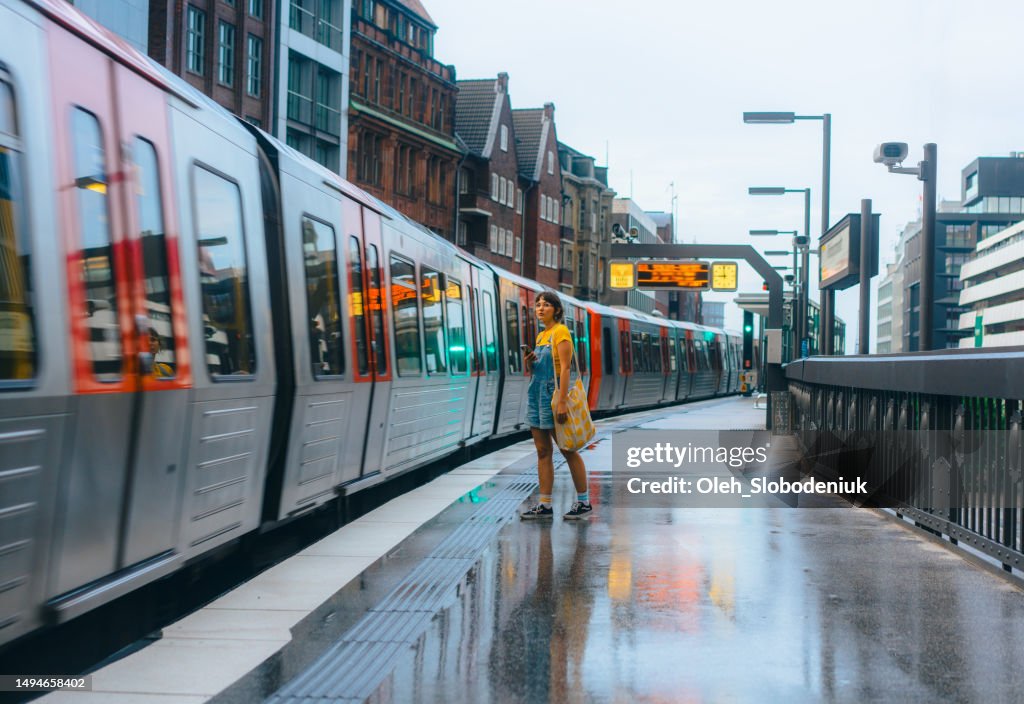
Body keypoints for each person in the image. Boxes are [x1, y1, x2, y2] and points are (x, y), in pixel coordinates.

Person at [520, 291, 593, 520]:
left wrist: (561, 401)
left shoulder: (561, 332)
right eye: (538, 305)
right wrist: (531, 362)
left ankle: (584, 502)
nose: (540, 309)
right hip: (536, 393)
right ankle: (545, 505)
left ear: (557, 310)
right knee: (543, 451)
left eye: (546, 305)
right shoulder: (541, 336)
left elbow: (566, 368)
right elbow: (540, 369)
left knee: (567, 449)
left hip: (553, 395)